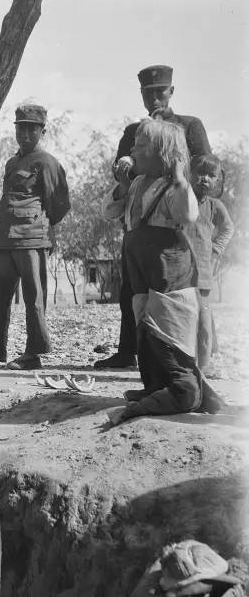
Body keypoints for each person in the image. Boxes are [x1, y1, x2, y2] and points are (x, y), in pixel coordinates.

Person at [104, 119, 220, 426]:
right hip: (142, 272)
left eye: (141, 146)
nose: (133, 151)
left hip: (169, 274)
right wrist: (123, 186)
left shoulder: (171, 187)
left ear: (163, 154)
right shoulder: (137, 184)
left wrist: (181, 180)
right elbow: (109, 211)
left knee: (167, 327)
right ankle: (155, 385)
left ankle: (177, 392)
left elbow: (187, 214)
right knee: (144, 323)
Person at [96, 64, 212, 369]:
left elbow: (207, 170)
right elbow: (121, 172)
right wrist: (125, 166)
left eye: (160, 91)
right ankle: (131, 351)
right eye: (148, 93)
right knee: (134, 292)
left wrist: (181, 186)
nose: (155, 98)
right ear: (142, 95)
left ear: (171, 91)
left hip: (180, 217)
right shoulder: (134, 132)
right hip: (140, 219)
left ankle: (194, 362)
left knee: (183, 295)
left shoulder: (190, 126)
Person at [0, 102, 70, 370]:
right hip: (4, 240)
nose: (24, 134)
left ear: (42, 131)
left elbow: (59, 203)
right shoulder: (12, 162)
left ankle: (33, 354)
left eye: (31, 129)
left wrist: (42, 226)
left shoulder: (47, 162)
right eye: (20, 128)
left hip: (31, 239)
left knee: (33, 299)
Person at [184, 155, 234, 375]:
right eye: (199, 173)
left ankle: (203, 367)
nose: (204, 179)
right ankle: (182, 369)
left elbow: (228, 228)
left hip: (203, 274)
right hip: (178, 272)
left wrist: (215, 249)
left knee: (204, 323)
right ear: (189, 174)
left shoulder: (214, 206)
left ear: (217, 180)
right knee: (182, 320)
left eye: (211, 175)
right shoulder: (180, 200)